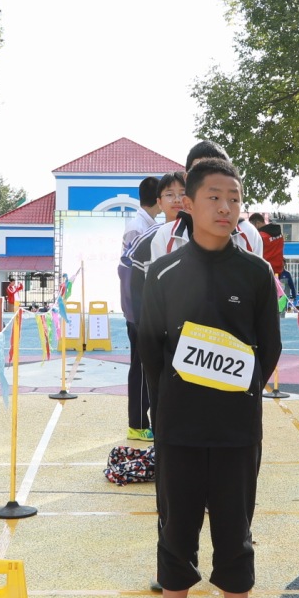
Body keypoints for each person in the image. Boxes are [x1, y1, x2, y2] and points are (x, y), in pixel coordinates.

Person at [131, 157, 284, 598]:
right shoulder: (163, 272)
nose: (226, 207)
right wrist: (170, 403)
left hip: (238, 431)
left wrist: (238, 395)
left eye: (234, 198)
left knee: (236, 533)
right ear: (187, 204)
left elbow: (269, 348)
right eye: (214, 197)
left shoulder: (257, 272)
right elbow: (149, 348)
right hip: (179, 430)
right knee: (175, 531)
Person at [119, 174, 161, 439]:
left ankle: (141, 422)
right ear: (159, 199)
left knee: (144, 365)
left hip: (140, 305)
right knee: (141, 366)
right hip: (137, 306)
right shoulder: (139, 228)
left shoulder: (146, 224)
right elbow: (130, 273)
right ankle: (137, 423)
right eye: (170, 195)